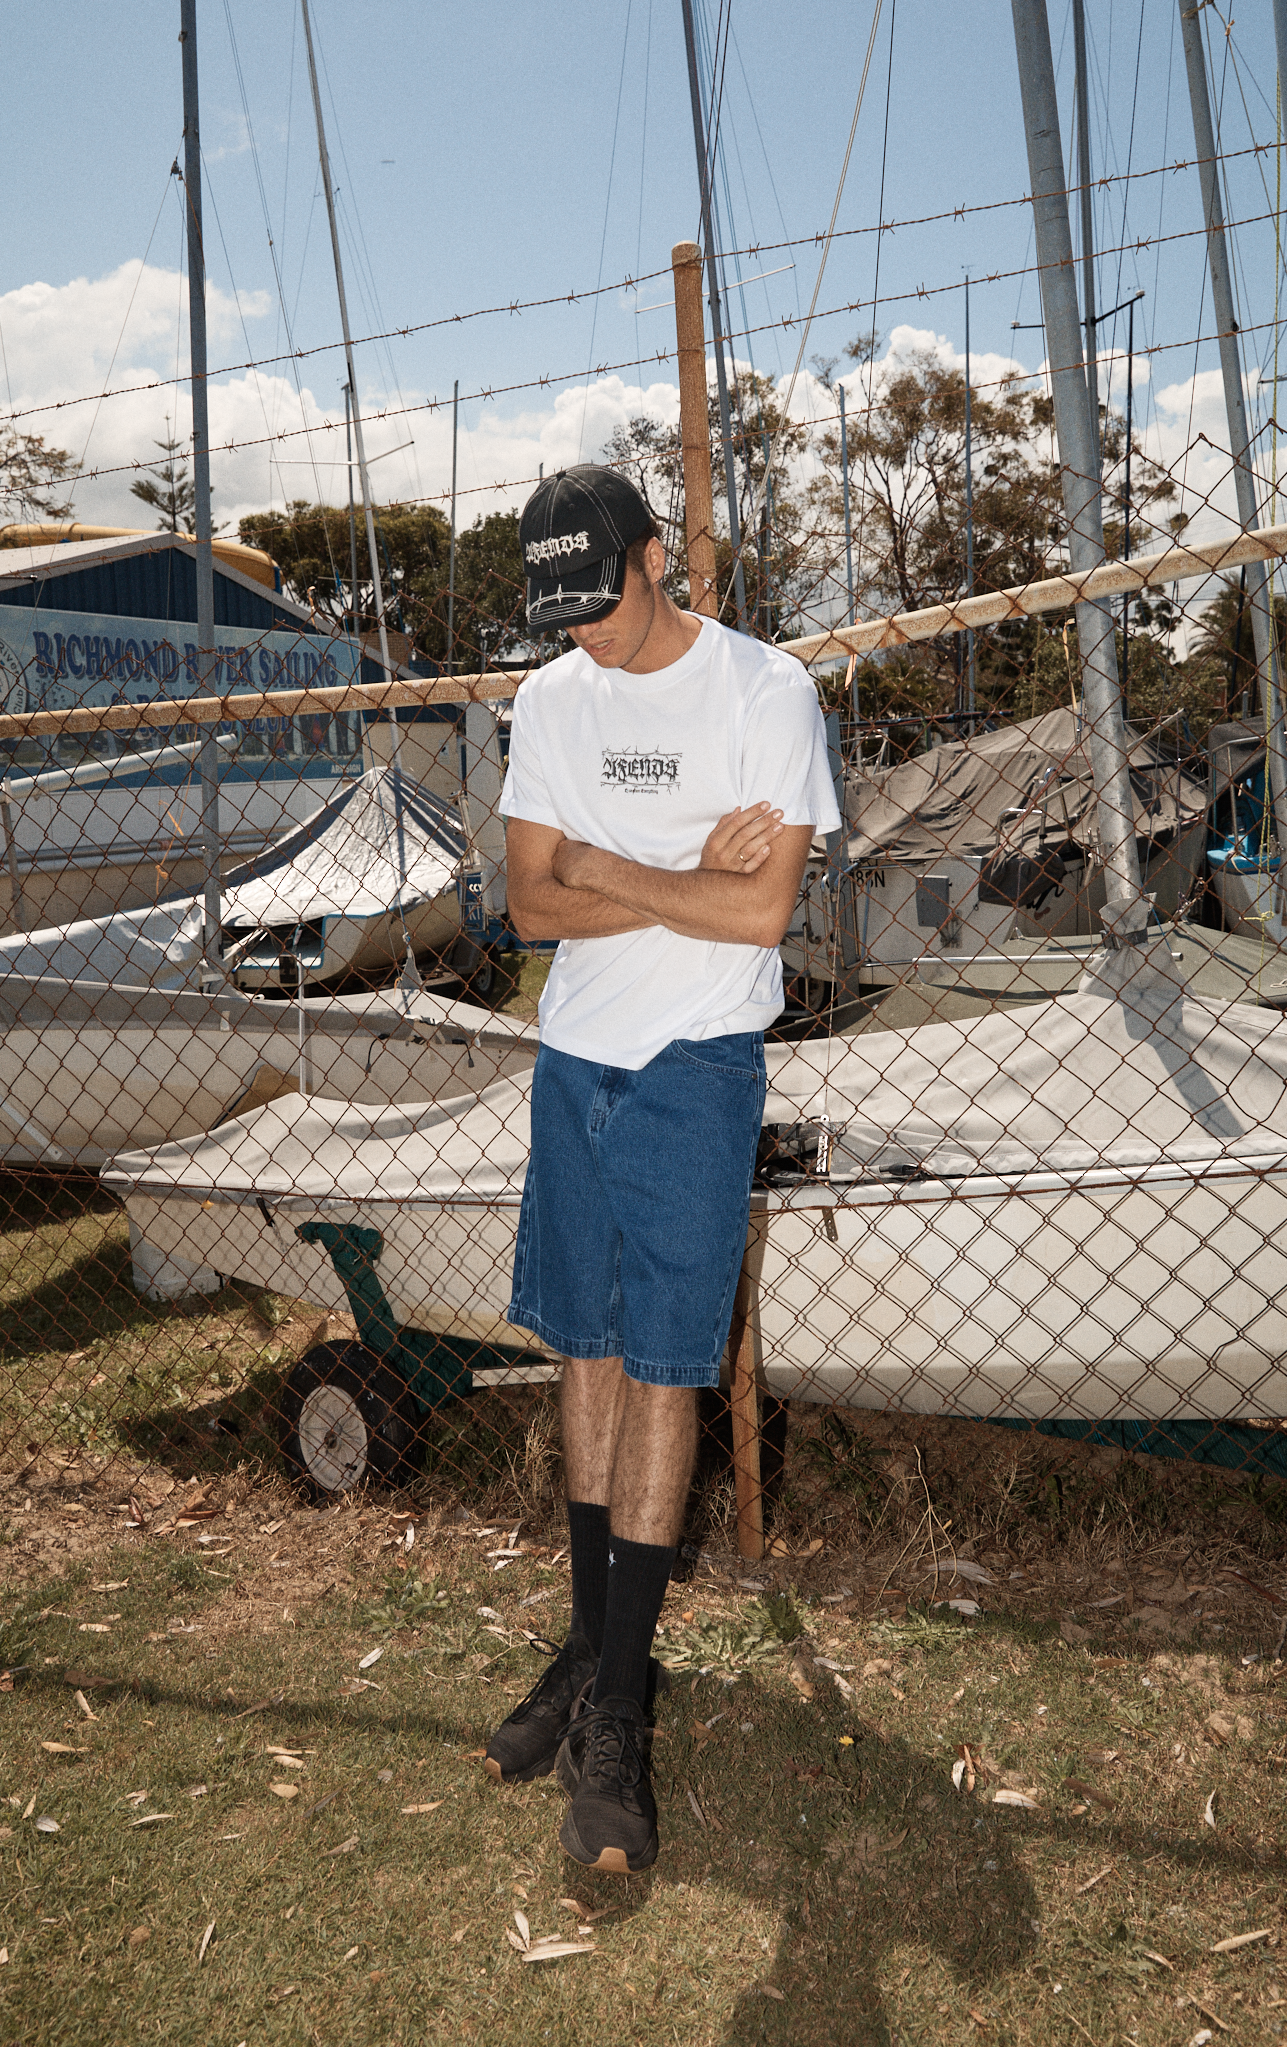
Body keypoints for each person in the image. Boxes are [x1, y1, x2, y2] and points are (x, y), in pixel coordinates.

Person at [482, 464, 840, 1874]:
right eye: (561, 615)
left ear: (656, 559)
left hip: (697, 1067)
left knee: (666, 1367)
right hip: (575, 1063)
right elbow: (524, 901)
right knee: (583, 1352)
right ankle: (592, 1645)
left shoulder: (765, 693)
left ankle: (619, 1704)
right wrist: (673, 864)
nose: (587, 638)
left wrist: (613, 867)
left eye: (603, 605)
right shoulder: (552, 700)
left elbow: (759, 908)